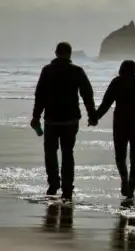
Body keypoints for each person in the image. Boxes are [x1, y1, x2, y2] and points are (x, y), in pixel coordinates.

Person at [31, 42, 96, 202]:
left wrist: (36, 116)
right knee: (68, 153)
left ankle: (53, 183)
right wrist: (92, 115)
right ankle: (67, 187)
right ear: (70, 54)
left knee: (50, 153)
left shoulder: (47, 71)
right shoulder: (77, 71)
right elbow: (87, 94)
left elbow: (40, 95)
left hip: (51, 119)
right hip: (70, 119)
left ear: (56, 53)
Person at [91, 60, 135, 201]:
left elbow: (106, 103)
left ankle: (124, 178)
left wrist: (95, 117)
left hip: (120, 121)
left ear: (121, 69)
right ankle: (131, 187)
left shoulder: (117, 82)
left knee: (120, 155)